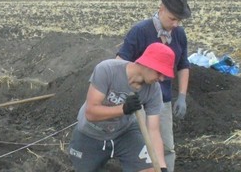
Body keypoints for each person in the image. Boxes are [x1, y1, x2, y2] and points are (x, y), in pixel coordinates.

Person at [116, 0, 192, 172]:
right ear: (161, 10)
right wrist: (124, 94)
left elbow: (183, 65)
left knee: (165, 148)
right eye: (172, 18)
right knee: (138, 148)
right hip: (137, 101)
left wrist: (181, 96)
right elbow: (119, 63)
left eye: (179, 20)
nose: (175, 24)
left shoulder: (179, 35)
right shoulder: (140, 31)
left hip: (162, 102)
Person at [69, 42, 175, 172]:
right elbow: (91, 113)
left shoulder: (153, 90)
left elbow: (153, 130)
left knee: (150, 170)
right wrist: (123, 109)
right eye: (160, 73)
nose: (162, 78)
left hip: (125, 132)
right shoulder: (107, 70)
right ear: (148, 64)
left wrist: (161, 166)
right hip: (90, 133)